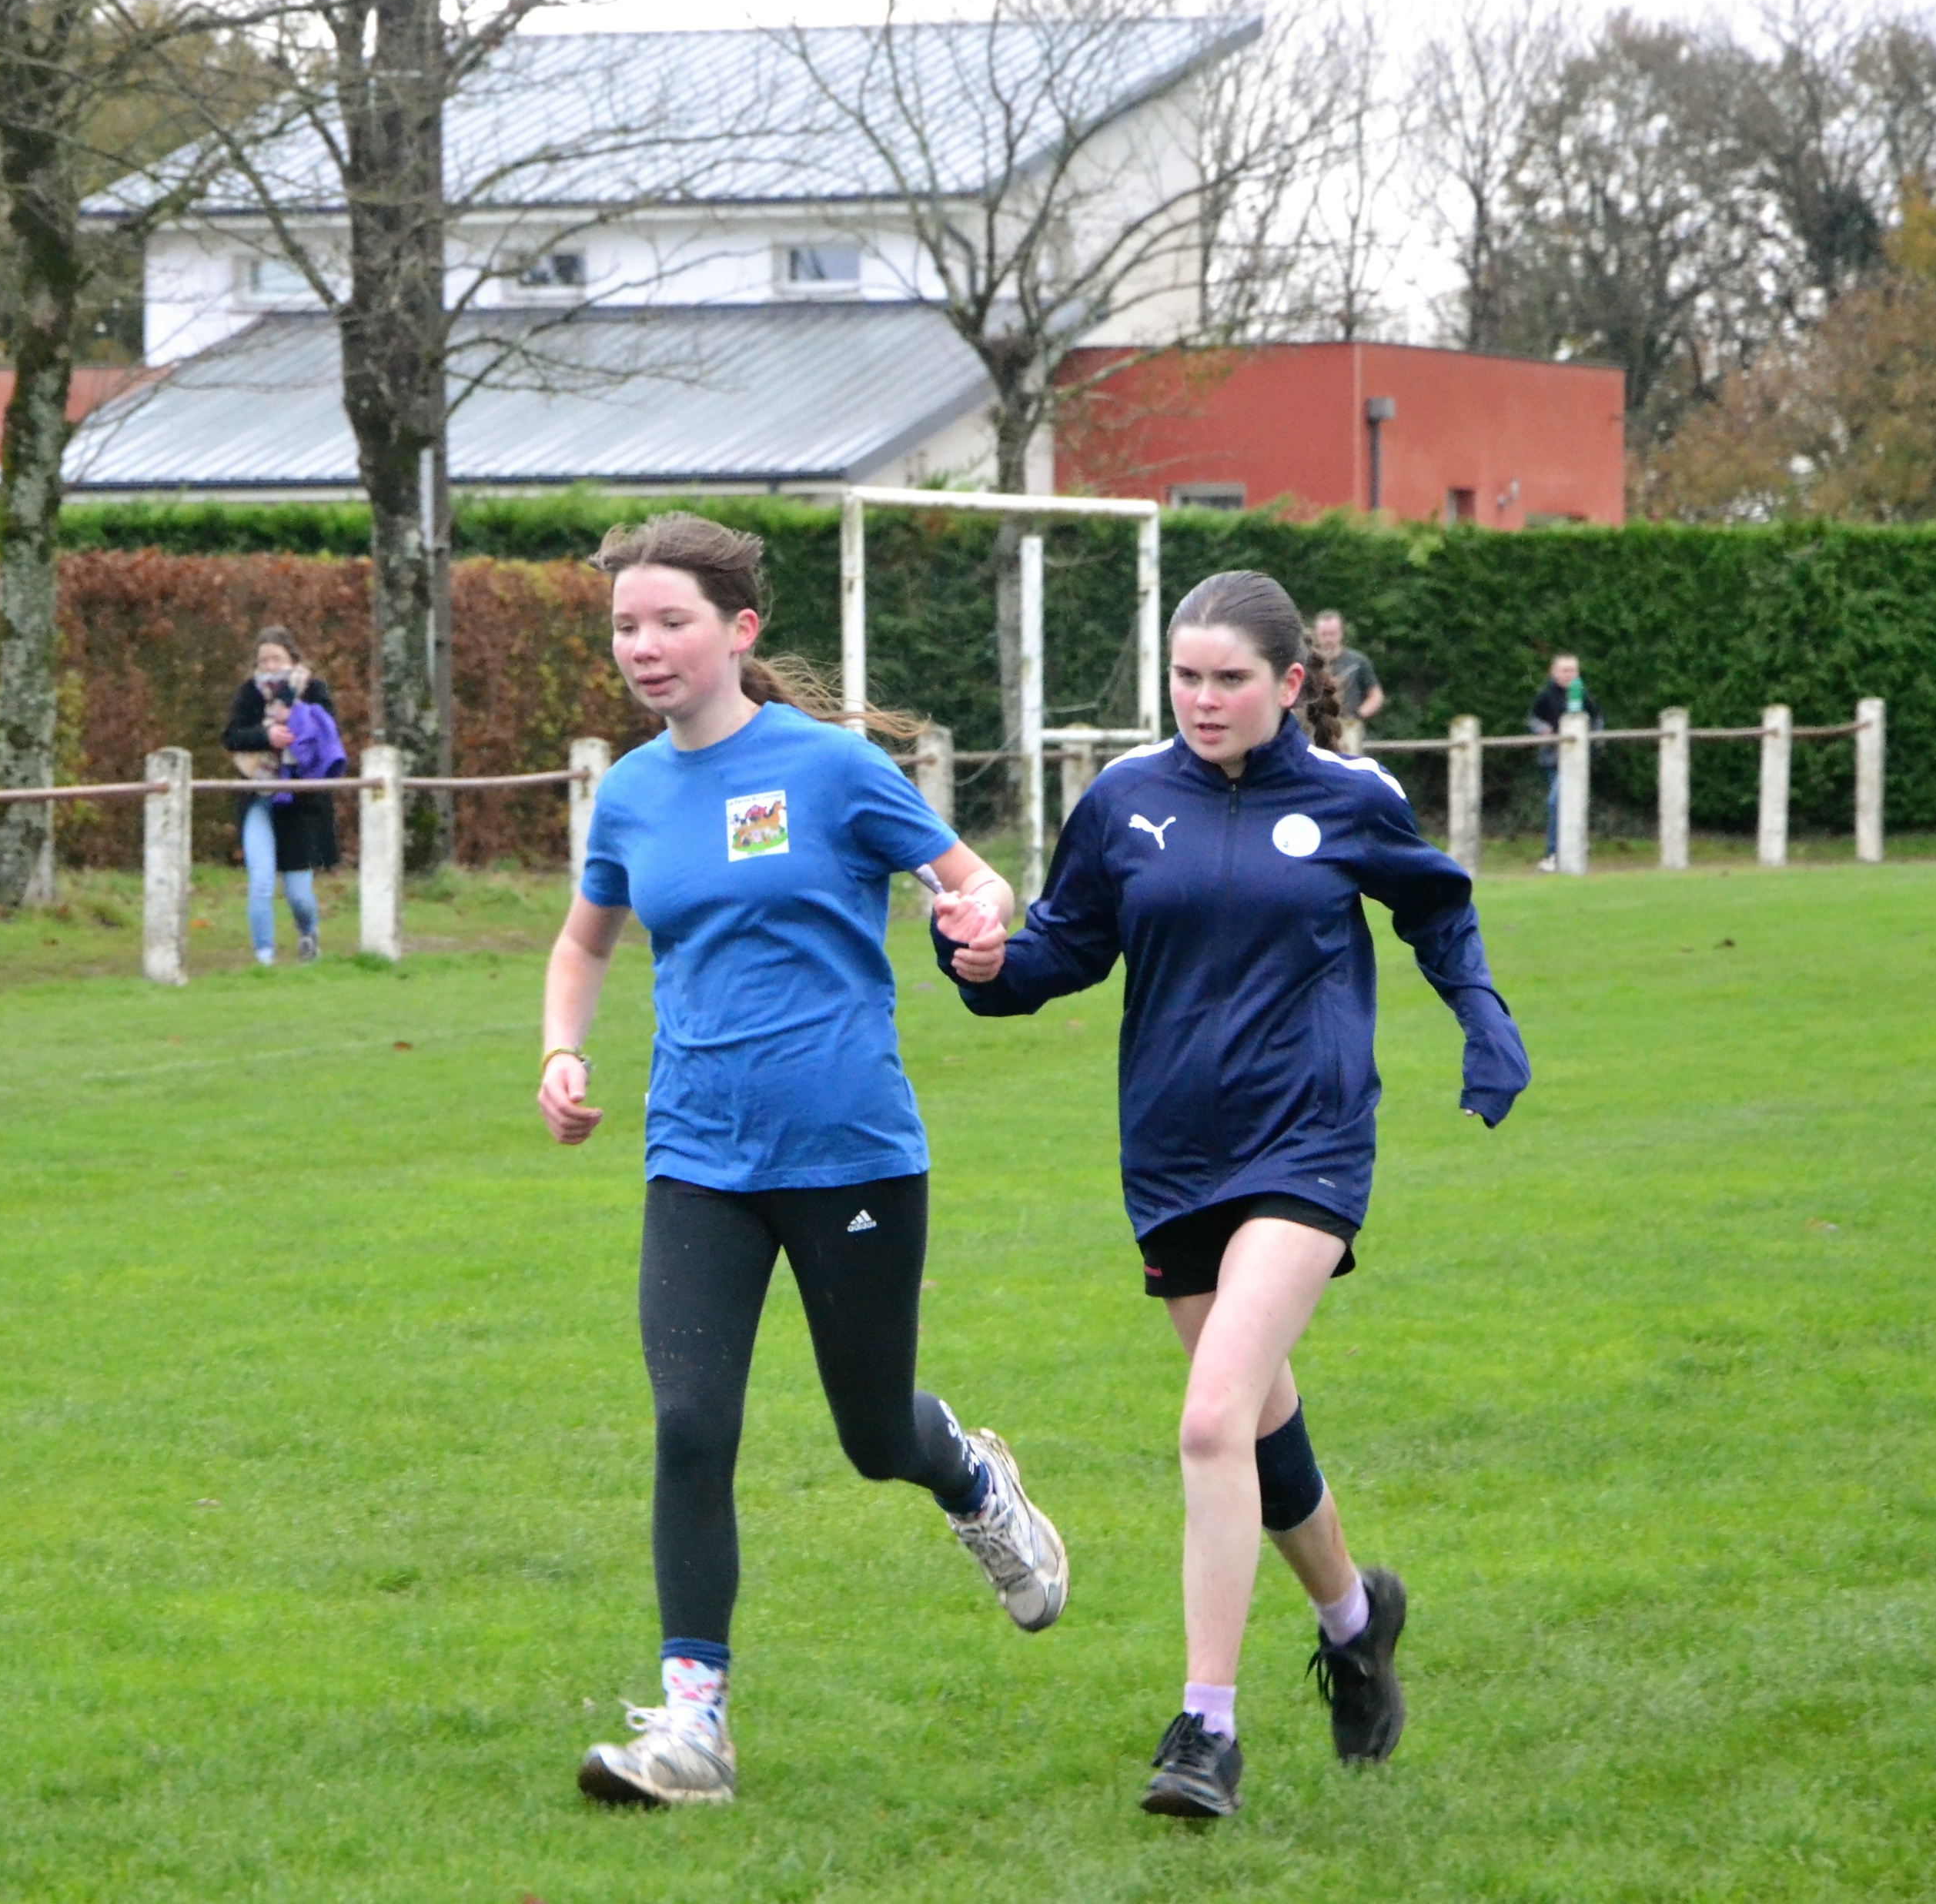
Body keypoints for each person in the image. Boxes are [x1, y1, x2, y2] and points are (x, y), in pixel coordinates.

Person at [936, 569, 1530, 1819]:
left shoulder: (1351, 798)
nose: (1203, 700)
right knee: (1260, 1420)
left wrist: (1483, 1017)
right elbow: (1064, 948)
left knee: (1212, 1421)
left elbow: (1438, 909)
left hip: (1308, 1143)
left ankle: (1205, 1729)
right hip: (1170, 1154)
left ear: (1291, 683)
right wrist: (984, 965)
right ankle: (1356, 1621)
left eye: (1231, 679)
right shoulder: (1123, 800)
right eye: (1186, 678)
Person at [537, 511, 1070, 1809]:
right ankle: (695, 1724)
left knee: (874, 1435)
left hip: (850, 1154)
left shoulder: (830, 768)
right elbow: (587, 940)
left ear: (740, 630)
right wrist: (562, 1052)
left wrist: (975, 916)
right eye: (625, 625)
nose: (643, 646)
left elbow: (977, 879)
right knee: (689, 1424)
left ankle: (972, 1477)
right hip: (697, 1156)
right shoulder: (633, 792)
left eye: (670, 621)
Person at [219, 627, 341, 964]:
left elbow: (327, 734)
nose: (270, 665)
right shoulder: (249, 693)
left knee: (298, 893)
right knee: (261, 880)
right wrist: (266, 735)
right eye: (264, 660)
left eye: (277, 658)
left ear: (292, 658)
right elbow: (231, 736)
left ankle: (308, 934)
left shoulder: (313, 689)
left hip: (300, 800)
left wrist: (295, 722)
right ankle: (264, 957)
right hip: (258, 794)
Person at [1527, 652, 1600, 873]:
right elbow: (1533, 719)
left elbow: (1597, 719)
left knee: (1558, 802)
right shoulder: (1545, 695)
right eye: (1565, 670)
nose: (1569, 675)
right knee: (1559, 802)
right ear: (1554, 673)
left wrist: (1595, 744)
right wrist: (1544, 730)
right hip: (1553, 759)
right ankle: (1562, 849)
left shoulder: (1583, 694)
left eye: (1573, 670)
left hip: (1577, 759)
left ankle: (1556, 851)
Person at [1309, 611, 1383, 745]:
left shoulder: (1358, 662)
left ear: (1341, 633)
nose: (1328, 639)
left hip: (1349, 726)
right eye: (1324, 634)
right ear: (1316, 634)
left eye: (1333, 634)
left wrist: (1359, 715)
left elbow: (1375, 695)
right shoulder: (1309, 663)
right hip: (1316, 727)